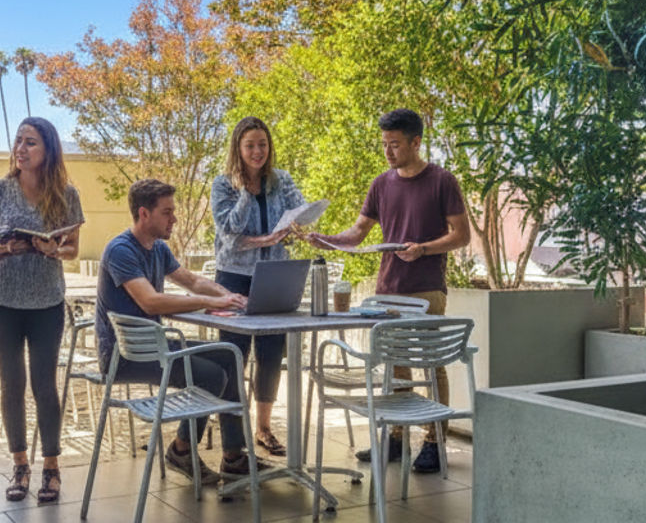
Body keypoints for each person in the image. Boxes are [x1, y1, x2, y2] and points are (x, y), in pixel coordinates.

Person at [307, 108, 470, 474]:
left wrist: (423, 248)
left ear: (416, 142)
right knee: (395, 364)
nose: (388, 151)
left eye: (394, 144)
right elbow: (357, 233)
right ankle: (396, 439)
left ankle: (434, 441)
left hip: (427, 288)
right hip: (387, 290)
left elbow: (461, 235)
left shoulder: (442, 181)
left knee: (430, 363)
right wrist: (326, 241)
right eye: (384, 144)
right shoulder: (381, 184)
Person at [95, 179, 269, 484]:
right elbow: (150, 302)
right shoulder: (120, 250)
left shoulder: (159, 248)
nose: (174, 218)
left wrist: (230, 296)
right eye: (167, 212)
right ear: (144, 214)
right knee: (210, 374)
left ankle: (234, 456)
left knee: (229, 357)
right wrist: (208, 301)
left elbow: (192, 281)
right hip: (125, 355)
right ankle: (181, 449)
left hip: (155, 347)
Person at [0, 117, 84, 504]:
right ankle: (20, 464)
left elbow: (73, 248)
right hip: (3, 301)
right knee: (12, 385)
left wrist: (54, 249)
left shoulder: (67, 194)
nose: (21, 149)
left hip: (47, 301)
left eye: (31, 143)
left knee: (44, 386)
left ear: (48, 151)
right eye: (18, 142)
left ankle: (52, 468)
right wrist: (6, 246)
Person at [210, 116, 304, 457]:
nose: (257, 151)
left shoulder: (282, 180)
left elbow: (299, 211)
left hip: (273, 273)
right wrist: (246, 195)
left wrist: (299, 224)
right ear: (238, 148)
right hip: (233, 276)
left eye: (262, 144)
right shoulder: (223, 184)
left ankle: (263, 428)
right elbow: (230, 236)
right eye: (249, 145)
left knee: (270, 354)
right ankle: (233, 439)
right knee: (233, 355)